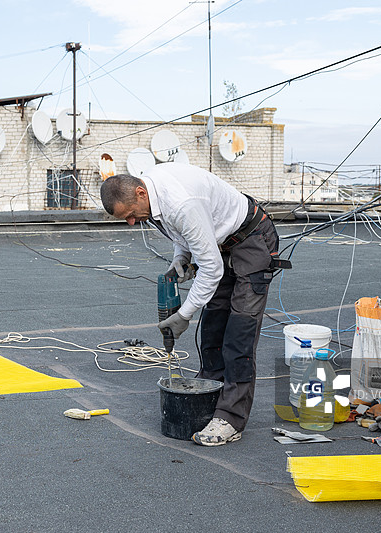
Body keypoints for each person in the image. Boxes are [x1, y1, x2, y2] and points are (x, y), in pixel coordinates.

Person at [100, 162, 282, 446]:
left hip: (252, 238)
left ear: (139, 192)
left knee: (239, 333)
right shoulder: (153, 195)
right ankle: (209, 395)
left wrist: (183, 315)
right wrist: (180, 257)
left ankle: (230, 420)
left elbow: (210, 268)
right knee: (212, 327)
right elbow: (181, 231)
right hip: (220, 242)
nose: (132, 222)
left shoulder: (181, 202)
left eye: (132, 215)